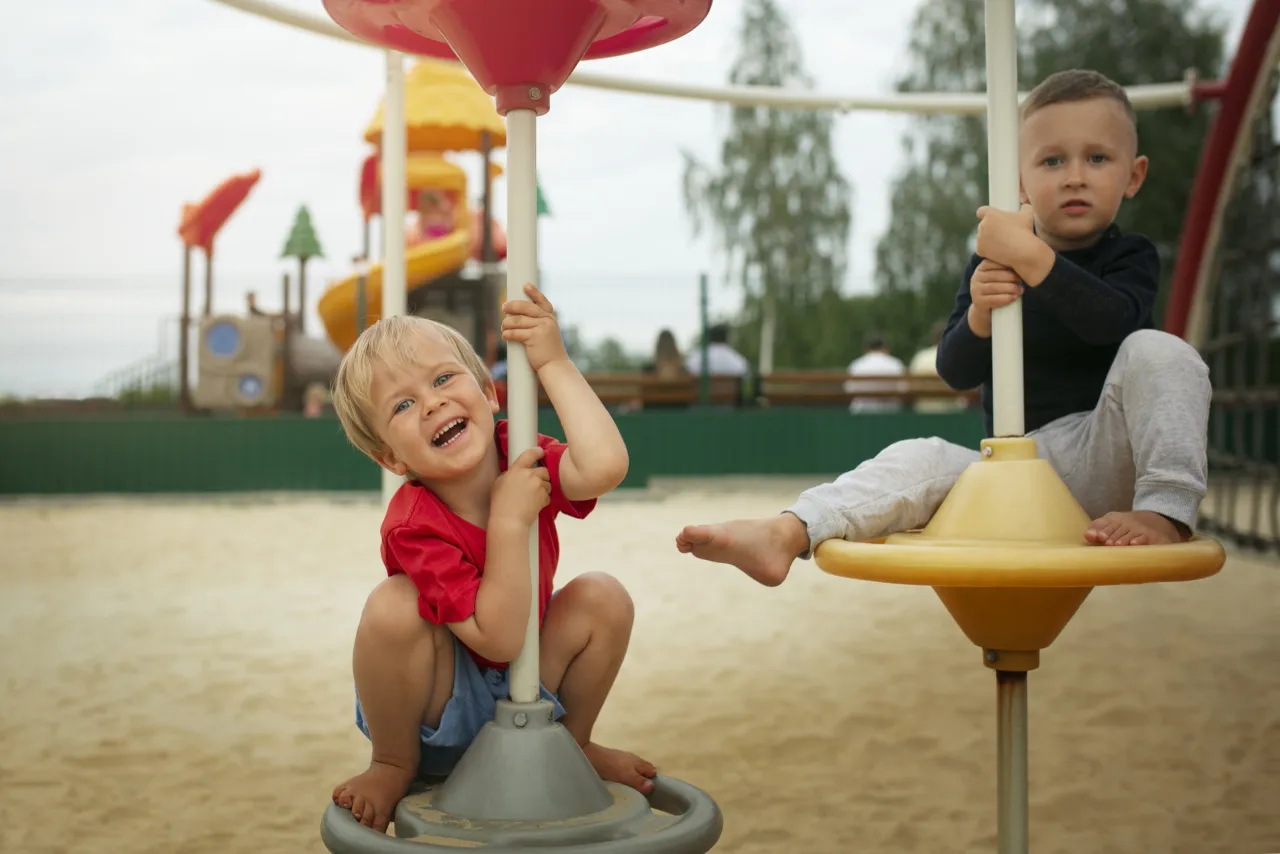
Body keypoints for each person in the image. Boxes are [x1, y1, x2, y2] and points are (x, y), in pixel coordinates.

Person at [675, 68, 1211, 587]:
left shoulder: (1130, 256)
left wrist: (1033, 259)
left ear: (1133, 175)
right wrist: (979, 315)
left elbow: (1109, 322)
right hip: (1017, 463)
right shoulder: (990, 266)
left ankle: (1166, 511)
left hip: (1107, 451)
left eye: (1097, 158)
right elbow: (956, 371)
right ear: (1020, 181)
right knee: (922, 456)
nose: (1075, 175)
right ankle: (789, 531)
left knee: (1158, 349)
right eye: (1052, 160)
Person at [328, 284, 654, 832]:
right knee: (392, 605)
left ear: (489, 392)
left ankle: (569, 747)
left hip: (532, 678)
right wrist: (508, 520)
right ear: (389, 455)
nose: (432, 402)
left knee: (603, 595)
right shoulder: (414, 523)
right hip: (444, 703)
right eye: (403, 405)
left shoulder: (519, 452)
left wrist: (554, 361)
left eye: (443, 379)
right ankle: (391, 762)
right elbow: (496, 637)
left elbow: (603, 467)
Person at [908, 320, 966, 413]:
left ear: (933, 338)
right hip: (952, 414)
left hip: (923, 411)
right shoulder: (958, 356)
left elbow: (911, 387)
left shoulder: (921, 357)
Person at [843, 333, 907, 413]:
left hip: (862, 412)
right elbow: (903, 389)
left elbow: (849, 389)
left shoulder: (857, 364)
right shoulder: (896, 364)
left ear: (866, 349)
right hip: (891, 412)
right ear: (885, 347)